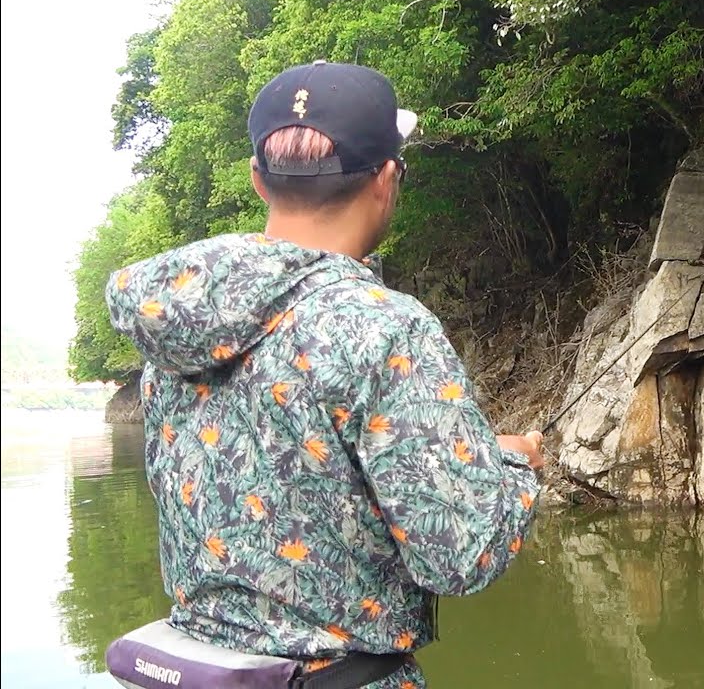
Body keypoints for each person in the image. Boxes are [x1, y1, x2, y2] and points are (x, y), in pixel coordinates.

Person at [104, 61, 543, 689]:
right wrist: (517, 465)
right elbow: (460, 556)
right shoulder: (387, 329)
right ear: (388, 178)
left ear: (259, 181)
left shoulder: (173, 325)